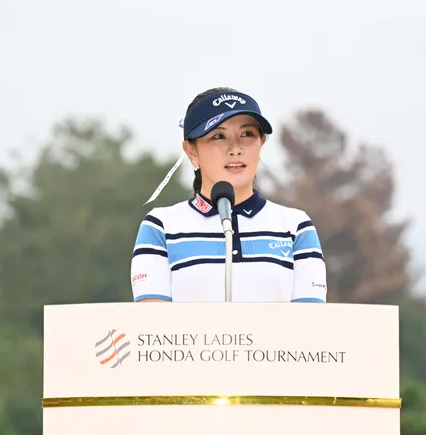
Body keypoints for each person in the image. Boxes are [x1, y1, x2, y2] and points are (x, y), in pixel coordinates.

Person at [130, 87, 327, 303]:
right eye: (219, 136)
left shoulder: (296, 227)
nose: (236, 149)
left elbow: (309, 319)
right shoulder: (161, 226)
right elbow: (152, 320)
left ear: (261, 143)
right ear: (191, 150)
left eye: (247, 134)